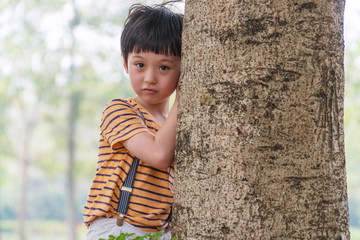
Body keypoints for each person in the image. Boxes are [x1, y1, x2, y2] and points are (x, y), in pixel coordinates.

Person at [83, 2, 183, 240]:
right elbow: (159, 154)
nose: (150, 78)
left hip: (160, 232)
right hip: (116, 229)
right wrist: (184, 97)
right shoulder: (119, 110)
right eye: (140, 64)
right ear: (125, 63)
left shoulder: (178, 125)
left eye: (164, 67)